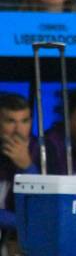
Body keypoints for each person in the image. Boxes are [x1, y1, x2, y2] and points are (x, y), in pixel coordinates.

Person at [0, 94, 38, 238]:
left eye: (24, 121)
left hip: (26, 239)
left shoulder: (44, 150)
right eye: (10, 121)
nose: (18, 130)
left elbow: (44, 206)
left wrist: (28, 167)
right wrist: (23, 224)